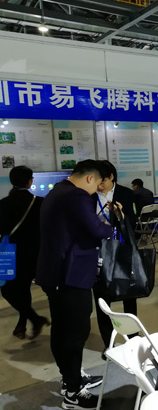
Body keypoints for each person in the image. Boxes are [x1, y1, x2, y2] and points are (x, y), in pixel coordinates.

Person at [36, 160, 115, 409]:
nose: (97, 189)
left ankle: (70, 378)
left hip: (55, 274)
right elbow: (96, 229)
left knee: (62, 329)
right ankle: (73, 393)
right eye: (97, 184)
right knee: (75, 332)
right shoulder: (77, 196)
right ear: (90, 178)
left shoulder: (57, 191)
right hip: (70, 276)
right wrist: (110, 227)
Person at [92, 160, 138, 355]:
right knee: (102, 299)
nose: (99, 185)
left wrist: (120, 215)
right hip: (98, 252)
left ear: (111, 177)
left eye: (102, 180)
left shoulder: (126, 194)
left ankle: (134, 341)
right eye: (96, 181)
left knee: (129, 296)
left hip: (122, 251)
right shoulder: (89, 195)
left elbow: (133, 223)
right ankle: (108, 344)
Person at [0, 166, 49, 340]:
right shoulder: (40, 203)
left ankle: (30, 320)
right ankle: (28, 322)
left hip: (9, 253)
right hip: (34, 253)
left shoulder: (3, 204)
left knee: (7, 290)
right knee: (24, 287)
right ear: (29, 181)